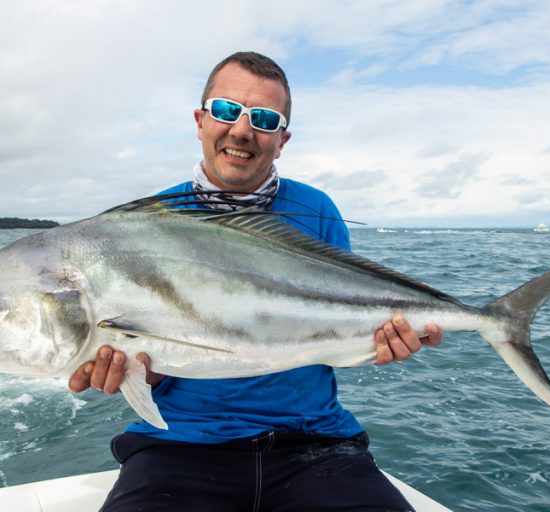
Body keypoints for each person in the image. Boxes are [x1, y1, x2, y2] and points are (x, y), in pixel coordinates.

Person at [69, 51, 443, 512]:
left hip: (315, 442)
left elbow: (335, 325)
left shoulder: (318, 209)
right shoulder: (148, 222)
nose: (242, 130)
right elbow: (162, 346)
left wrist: (383, 344)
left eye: (264, 119)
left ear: (282, 139)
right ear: (200, 120)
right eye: (227, 110)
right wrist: (122, 365)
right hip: (179, 444)